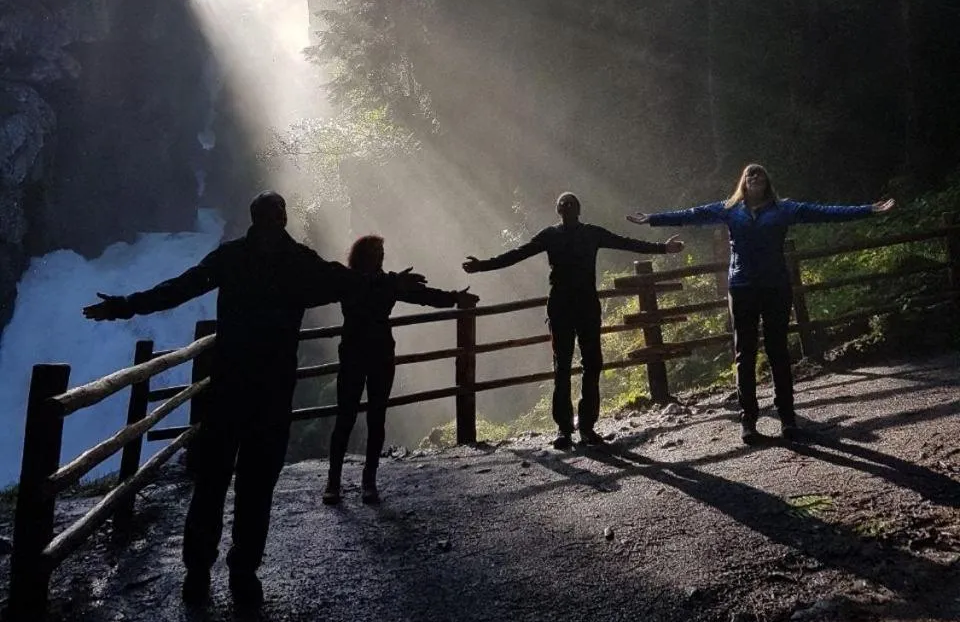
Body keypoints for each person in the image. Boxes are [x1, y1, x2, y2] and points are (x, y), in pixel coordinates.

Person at [83, 191, 404, 608]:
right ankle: (243, 573)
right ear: (283, 218)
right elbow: (350, 282)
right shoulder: (299, 262)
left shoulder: (231, 258)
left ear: (253, 218)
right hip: (272, 391)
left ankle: (198, 573)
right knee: (256, 485)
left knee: (212, 481)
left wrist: (127, 305)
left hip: (228, 388)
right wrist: (392, 284)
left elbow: (179, 288)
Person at [628, 164, 895, 444]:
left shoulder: (784, 209)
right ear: (743, 182)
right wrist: (651, 219)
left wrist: (868, 210)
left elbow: (824, 212)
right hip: (742, 287)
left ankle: (788, 420)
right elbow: (692, 215)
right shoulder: (730, 209)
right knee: (745, 354)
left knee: (778, 351)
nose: (754, 177)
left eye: (760, 174)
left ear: (767, 181)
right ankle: (749, 422)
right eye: (749, 174)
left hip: (775, 287)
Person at [462, 193, 683, 449]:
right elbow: (517, 254)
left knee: (587, 366)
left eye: (570, 204)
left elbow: (626, 243)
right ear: (560, 210)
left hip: (580, 308)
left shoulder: (578, 234)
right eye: (564, 205)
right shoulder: (563, 235)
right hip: (565, 310)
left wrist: (663, 248)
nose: (567, 208)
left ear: (576, 209)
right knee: (565, 368)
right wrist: (483, 266)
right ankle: (567, 429)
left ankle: (583, 428)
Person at [323, 235, 479, 507]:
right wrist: (397, 284)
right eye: (375, 251)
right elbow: (399, 291)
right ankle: (337, 481)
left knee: (373, 416)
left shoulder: (385, 281)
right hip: (364, 353)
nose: (380, 256)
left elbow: (422, 296)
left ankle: (362, 480)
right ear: (363, 255)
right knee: (347, 416)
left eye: (382, 251)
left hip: (370, 352)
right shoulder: (357, 280)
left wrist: (454, 298)